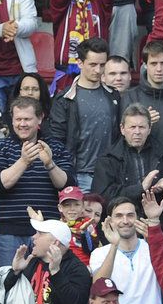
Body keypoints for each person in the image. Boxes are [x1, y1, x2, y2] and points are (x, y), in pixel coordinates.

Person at [0, 95, 74, 268]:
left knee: (44, 285)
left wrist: (50, 164)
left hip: (47, 231)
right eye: (18, 119)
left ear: (40, 118)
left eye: (27, 119)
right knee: (9, 283)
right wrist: (24, 161)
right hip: (9, 231)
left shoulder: (56, 147)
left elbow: (67, 186)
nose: (22, 124)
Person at [46, 38, 119, 191]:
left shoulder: (114, 96)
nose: (98, 70)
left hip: (110, 174)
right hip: (78, 175)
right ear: (79, 63)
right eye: (92, 64)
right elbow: (57, 141)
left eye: (102, 65)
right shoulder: (64, 99)